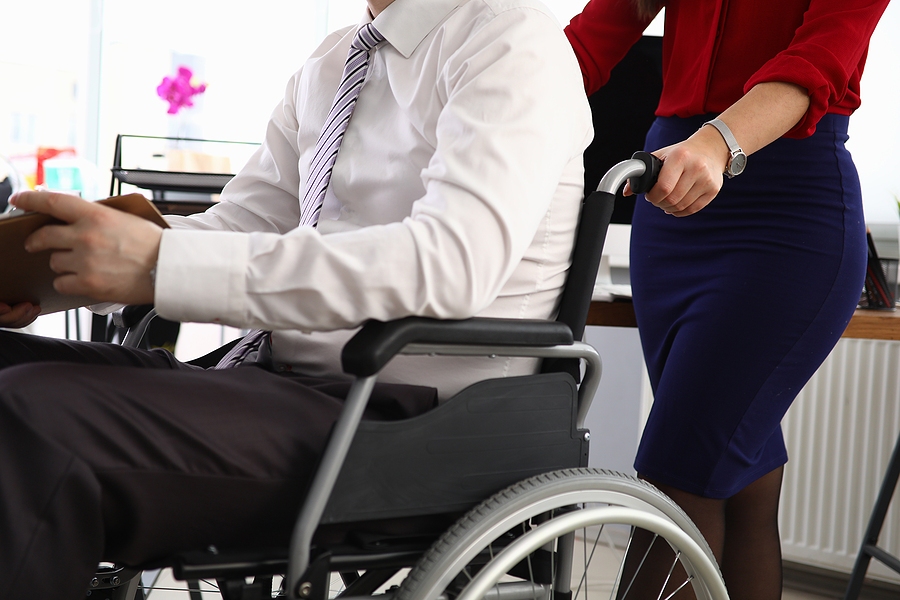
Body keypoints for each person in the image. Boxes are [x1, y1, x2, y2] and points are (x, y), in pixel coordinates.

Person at [0, 0, 592, 596]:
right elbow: (245, 224)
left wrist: (159, 264)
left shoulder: (510, 42)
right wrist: (52, 270)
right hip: (284, 390)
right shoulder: (333, 60)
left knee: (32, 416)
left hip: (416, 419)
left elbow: (450, 263)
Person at [565, 0, 889, 598]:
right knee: (738, 481)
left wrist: (718, 141)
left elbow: (821, 54)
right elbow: (598, 32)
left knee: (676, 478)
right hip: (672, 201)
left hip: (784, 207)